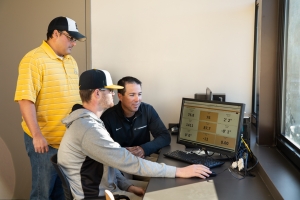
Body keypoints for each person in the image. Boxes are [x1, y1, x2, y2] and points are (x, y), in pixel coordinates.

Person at [57, 69, 213, 200]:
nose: (113, 93)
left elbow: (109, 162)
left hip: (111, 188)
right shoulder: (88, 129)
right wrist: (179, 171)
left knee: (170, 190)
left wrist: (128, 185)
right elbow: (127, 161)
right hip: (100, 196)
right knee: (168, 195)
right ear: (97, 93)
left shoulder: (88, 123)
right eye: (110, 90)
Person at [14, 16, 86, 199]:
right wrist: (37, 135)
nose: (74, 43)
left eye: (75, 39)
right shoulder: (33, 59)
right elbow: (25, 100)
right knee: (42, 193)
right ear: (55, 33)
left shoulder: (71, 61)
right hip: (44, 142)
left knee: (62, 193)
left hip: (67, 142)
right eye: (71, 38)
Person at [100, 76, 171, 162]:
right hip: (120, 162)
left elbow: (165, 136)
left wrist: (144, 149)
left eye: (139, 94)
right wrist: (125, 153)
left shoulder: (147, 110)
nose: (137, 99)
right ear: (120, 96)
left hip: (144, 159)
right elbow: (104, 150)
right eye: (132, 95)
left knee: (167, 170)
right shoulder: (108, 117)